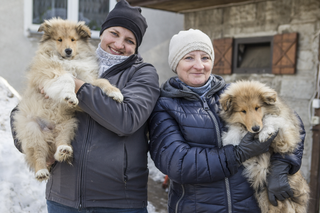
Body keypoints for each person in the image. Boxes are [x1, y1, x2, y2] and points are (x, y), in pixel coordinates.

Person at [10, 0, 160, 212]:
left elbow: (126, 120)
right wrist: (36, 146)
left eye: (129, 40)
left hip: (117, 203)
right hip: (63, 198)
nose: (119, 44)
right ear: (102, 33)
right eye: (114, 34)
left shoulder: (143, 73)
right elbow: (24, 107)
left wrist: (77, 86)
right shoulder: (72, 58)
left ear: (136, 47)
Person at [148, 29, 305, 213]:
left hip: (249, 206)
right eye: (189, 58)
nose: (199, 66)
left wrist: (281, 165)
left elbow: (292, 122)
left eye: (205, 58)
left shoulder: (233, 93)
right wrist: (237, 154)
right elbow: (178, 163)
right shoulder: (164, 105)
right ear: (175, 64)